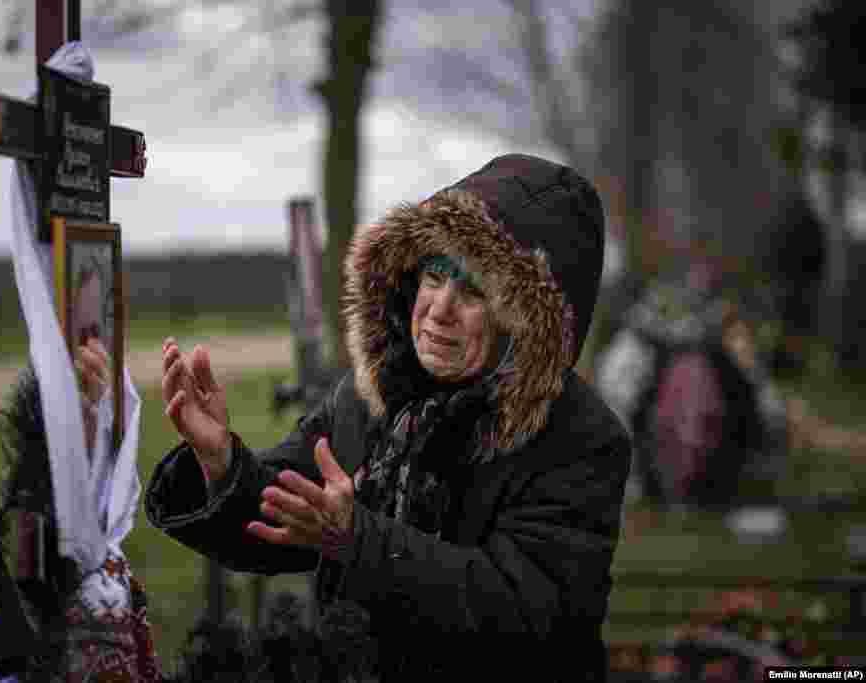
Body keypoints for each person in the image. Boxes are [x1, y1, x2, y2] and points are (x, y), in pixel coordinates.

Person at [145, 154, 633, 681]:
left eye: (473, 290)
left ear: (528, 323)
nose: (440, 307)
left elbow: (527, 613)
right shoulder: (374, 393)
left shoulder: (581, 439)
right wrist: (221, 463)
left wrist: (357, 539)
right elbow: (284, 509)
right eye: (435, 274)